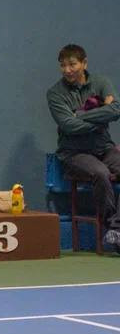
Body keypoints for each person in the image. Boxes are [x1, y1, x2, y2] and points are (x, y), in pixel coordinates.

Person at [47, 44, 120, 253]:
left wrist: (80, 115)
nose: (67, 70)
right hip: (74, 154)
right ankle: (113, 228)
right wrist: (102, 115)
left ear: (84, 63)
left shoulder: (101, 82)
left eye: (72, 64)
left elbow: (116, 110)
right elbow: (69, 126)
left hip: (104, 148)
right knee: (101, 173)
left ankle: (118, 227)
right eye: (63, 65)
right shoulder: (55, 93)